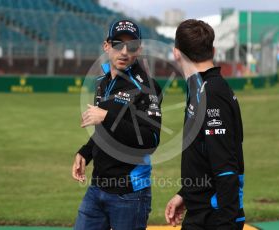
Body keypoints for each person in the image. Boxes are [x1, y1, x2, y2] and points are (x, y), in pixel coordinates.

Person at [72, 19, 162, 230]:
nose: (124, 51)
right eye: (117, 44)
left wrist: (107, 117)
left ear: (138, 49)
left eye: (131, 46)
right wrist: (86, 153)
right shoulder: (102, 82)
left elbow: (151, 140)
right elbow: (105, 132)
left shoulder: (147, 87)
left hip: (129, 193)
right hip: (97, 188)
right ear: (106, 46)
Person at [165, 19, 245, 230]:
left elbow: (226, 169)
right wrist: (185, 194)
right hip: (201, 213)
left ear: (176, 53)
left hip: (215, 220)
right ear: (213, 50)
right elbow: (204, 154)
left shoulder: (211, 93)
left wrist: (226, 223)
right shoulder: (202, 89)